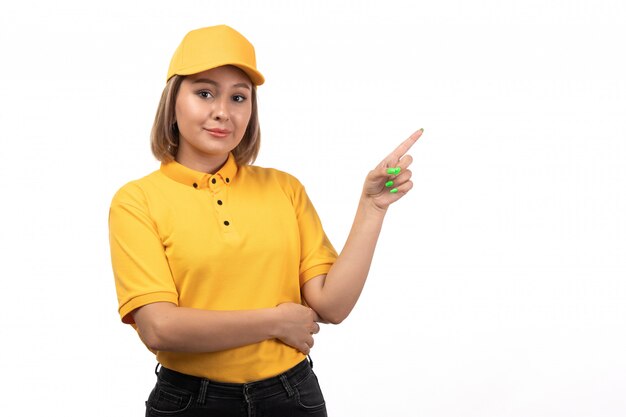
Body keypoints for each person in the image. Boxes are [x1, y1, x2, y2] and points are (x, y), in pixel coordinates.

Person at [109, 24, 423, 416]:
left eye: (239, 97)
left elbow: (332, 305)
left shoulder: (284, 188)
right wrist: (275, 322)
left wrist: (372, 208)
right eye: (204, 92)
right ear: (173, 101)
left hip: (292, 396)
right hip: (191, 403)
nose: (223, 111)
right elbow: (159, 328)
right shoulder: (137, 201)